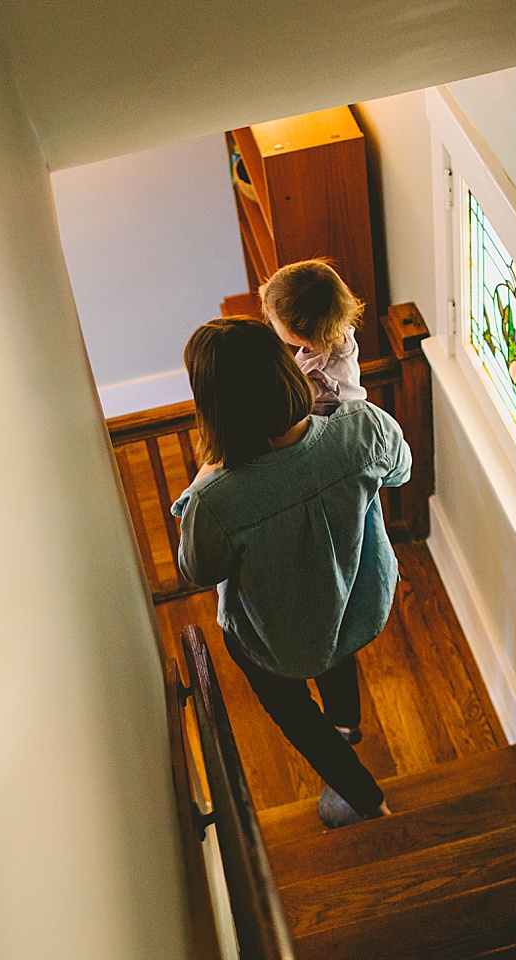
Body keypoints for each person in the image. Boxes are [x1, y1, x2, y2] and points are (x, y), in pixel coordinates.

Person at [170, 317, 411, 827]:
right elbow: (400, 470)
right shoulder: (363, 427)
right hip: (356, 602)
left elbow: (197, 568)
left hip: (273, 643)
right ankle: (347, 725)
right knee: (334, 638)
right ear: (286, 367)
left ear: (212, 405)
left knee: (297, 715)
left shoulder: (214, 501)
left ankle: (368, 801)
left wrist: (202, 479)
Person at [260, 259, 366, 416]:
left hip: (338, 430)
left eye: (274, 320)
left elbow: (305, 419)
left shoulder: (318, 381)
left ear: (297, 334)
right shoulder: (339, 331)